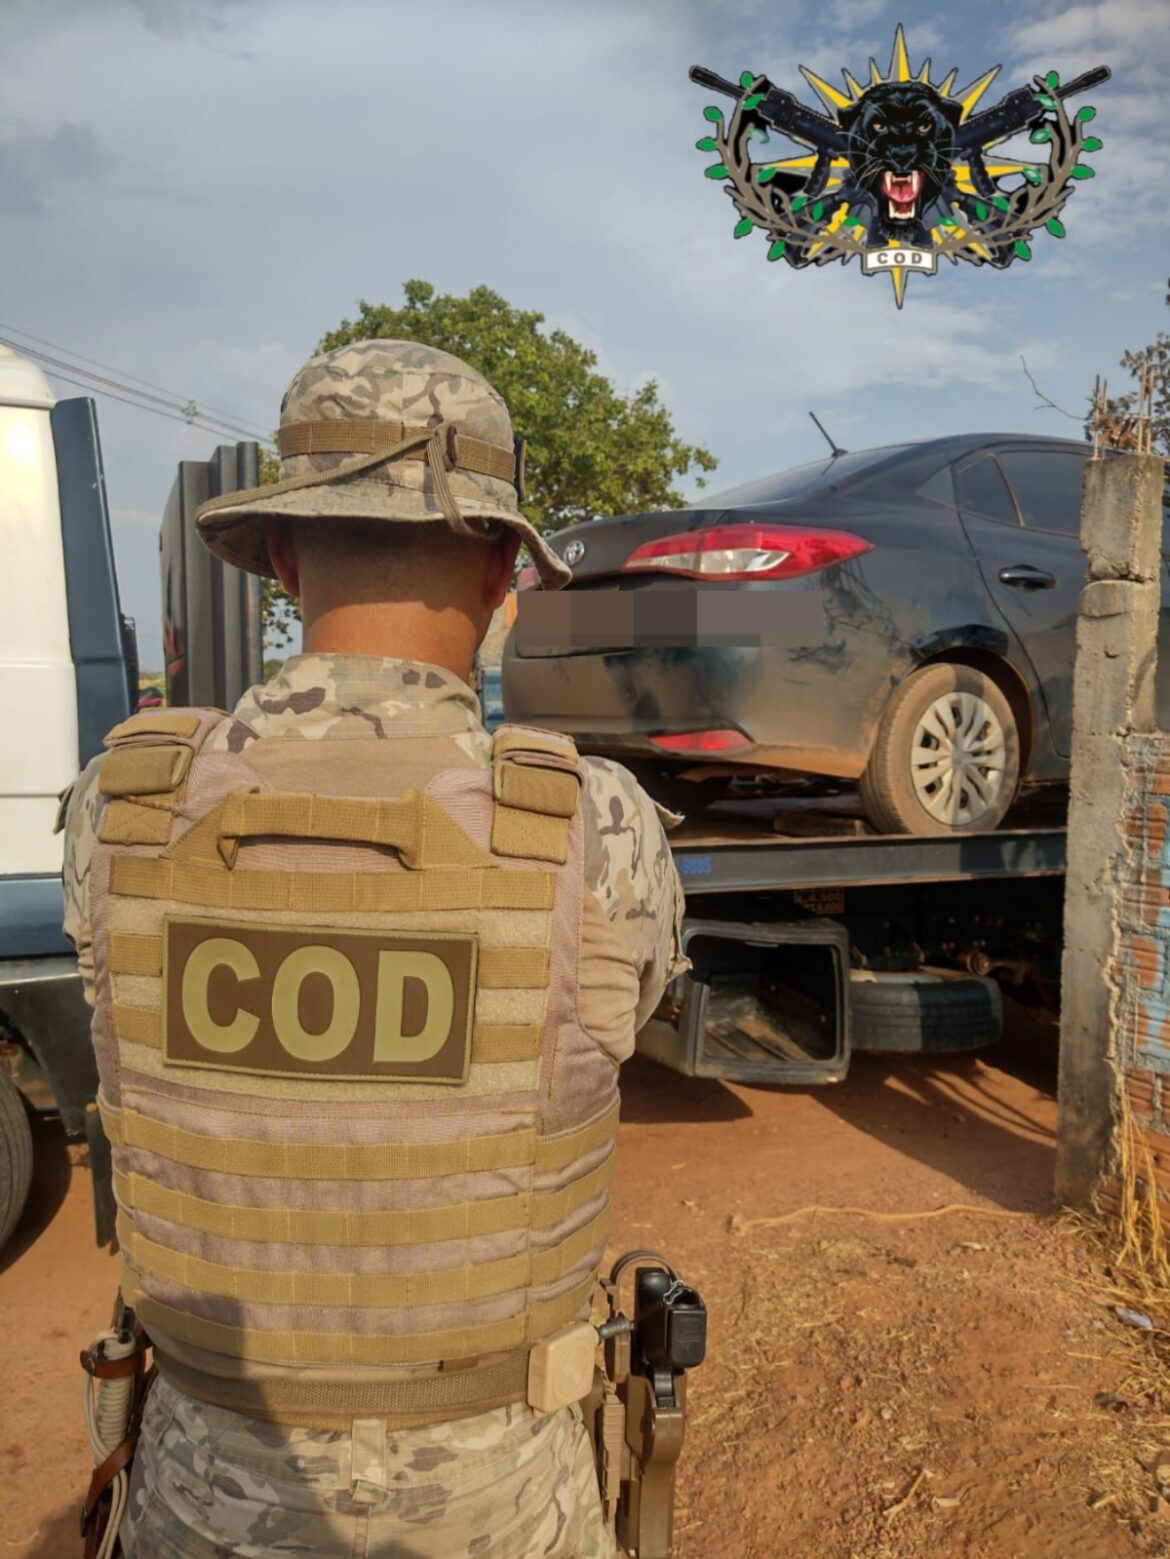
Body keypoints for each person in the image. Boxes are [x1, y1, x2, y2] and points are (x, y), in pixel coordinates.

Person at [61, 338, 688, 1558]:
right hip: (502, 1511)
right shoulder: (591, 823)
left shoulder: (118, 804)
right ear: (507, 565)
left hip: (201, 1499)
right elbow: (639, 1006)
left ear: (284, 554)